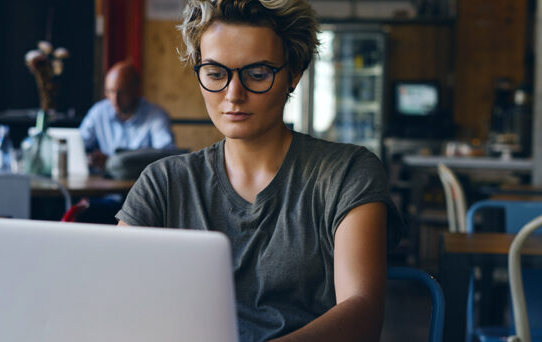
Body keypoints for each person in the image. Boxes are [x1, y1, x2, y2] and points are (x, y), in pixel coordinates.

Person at [116, 0, 403, 341]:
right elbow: (115, 300)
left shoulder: (347, 173)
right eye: (215, 74)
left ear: (293, 74)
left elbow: (363, 314)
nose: (233, 95)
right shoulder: (162, 184)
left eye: (257, 74)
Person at [79, 61, 176, 171]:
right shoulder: (98, 112)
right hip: (105, 184)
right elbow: (79, 142)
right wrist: (88, 158)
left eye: (121, 92)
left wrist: (111, 162)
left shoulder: (156, 115)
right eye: (110, 91)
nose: (115, 99)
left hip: (141, 184)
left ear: (136, 89)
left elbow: (167, 156)